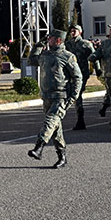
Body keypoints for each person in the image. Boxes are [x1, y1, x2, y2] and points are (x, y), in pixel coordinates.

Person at [27, 29, 83, 169]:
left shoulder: (67, 56)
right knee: (55, 127)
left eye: (51, 38)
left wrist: (73, 97)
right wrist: (39, 44)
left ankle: (39, 147)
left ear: (58, 40)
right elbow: (31, 60)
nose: (49, 39)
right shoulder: (45, 54)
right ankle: (62, 156)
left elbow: (78, 77)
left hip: (60, 96)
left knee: (50, 121)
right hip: (46, 96)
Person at [64, 24, 95, 131]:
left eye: (75, 31)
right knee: (70, 94)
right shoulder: (67, 44)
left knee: (77, 94)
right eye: (71, 31)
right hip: (69, 73)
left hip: (82, 74)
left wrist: (98, 70)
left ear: (80, 32)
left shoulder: (86, 44)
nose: (72, 32)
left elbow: (93, 57)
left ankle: (80, 119)